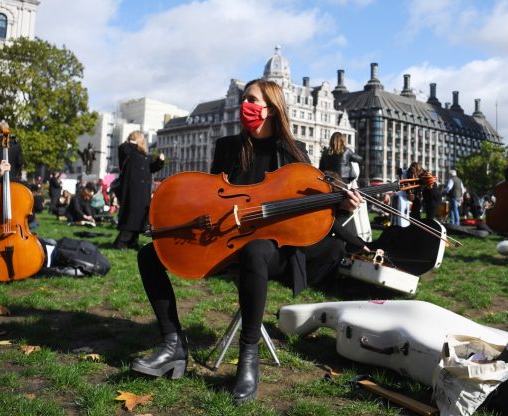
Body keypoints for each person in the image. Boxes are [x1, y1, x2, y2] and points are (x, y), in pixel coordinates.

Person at [131, 79, 363, 404]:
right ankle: (173, 344)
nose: (245, 106)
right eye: (244, 99)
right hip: (227, 239)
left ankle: (248, 357)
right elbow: (212, 195)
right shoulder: (228, 146)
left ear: (271, 108)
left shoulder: (294, 153)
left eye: (252, 100)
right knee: (149, 254)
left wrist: (341, 206)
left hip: (275, 250)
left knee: (256, 249)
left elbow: (312, 217)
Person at [112, 131, 165, 249]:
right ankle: (121, 242)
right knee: (131, 217)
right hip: (132, 190)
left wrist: (160, 161)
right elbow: (123, 148)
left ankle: (133, 242)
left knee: (139, 218)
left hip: (143, 192)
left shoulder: (145, 155)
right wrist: (132, 141)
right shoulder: (128, 151)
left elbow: (153, 167)